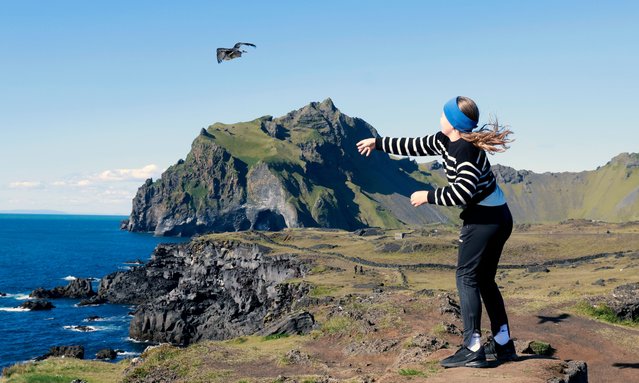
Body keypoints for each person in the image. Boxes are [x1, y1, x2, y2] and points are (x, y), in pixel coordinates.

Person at [356, 96, 517, 368]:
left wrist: (427, 196)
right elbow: (415, 145)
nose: (439, 116)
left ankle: (473, 346)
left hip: (484, 220)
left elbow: (462, 191)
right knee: (485, 279)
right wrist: (378, 143)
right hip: (499, 214)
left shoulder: (464, 151)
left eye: (444, 114)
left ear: (453, 123)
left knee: (466, 277)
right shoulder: (445, 141)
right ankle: (503, 343)